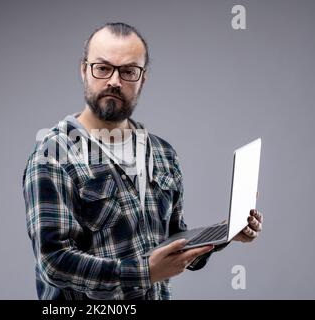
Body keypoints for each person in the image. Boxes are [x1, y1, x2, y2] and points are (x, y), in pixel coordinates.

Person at [22, 22, 263, 300]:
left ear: (142, 79)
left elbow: (173, 239)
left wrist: (225, 232)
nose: (114, 80)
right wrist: (145, 272)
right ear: (84, 70)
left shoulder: (162, 153)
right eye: (102, 68)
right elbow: (54, 263)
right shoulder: (53, 155)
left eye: (128, 71)